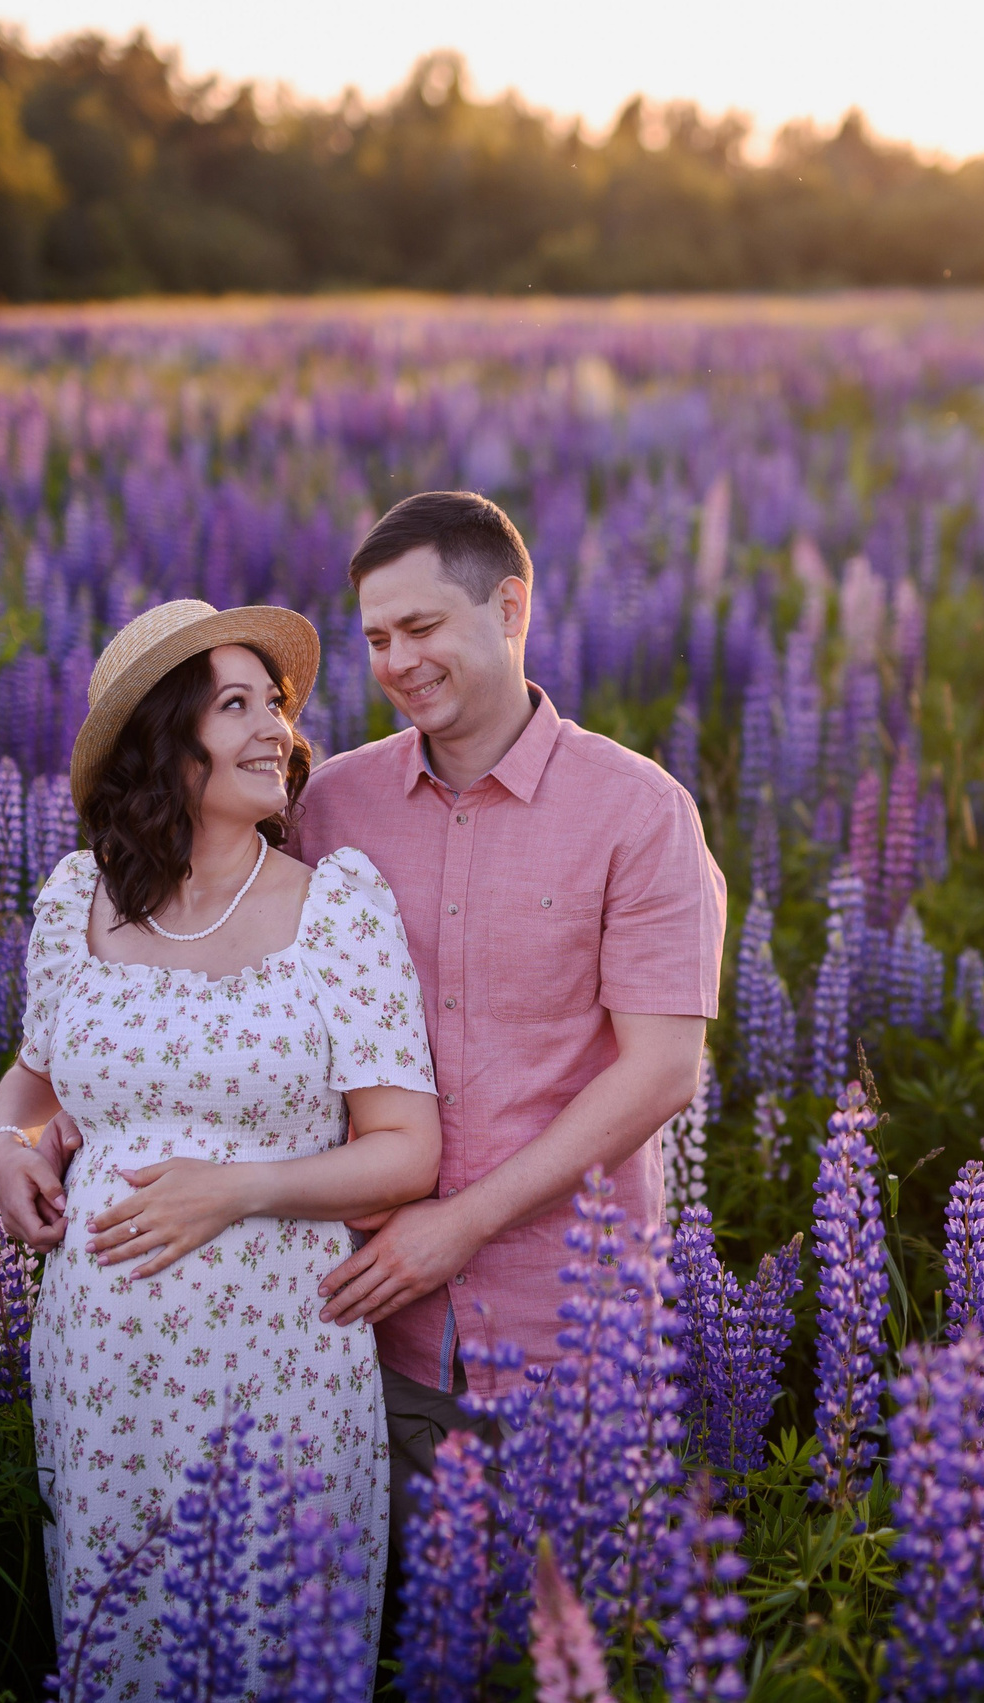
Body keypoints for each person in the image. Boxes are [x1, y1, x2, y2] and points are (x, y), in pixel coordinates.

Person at [0, 599, 442, 1681]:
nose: (272, 728)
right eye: (233, 704)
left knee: (275, 1653)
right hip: (100, 1374)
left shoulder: (338, 907)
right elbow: (32, 1083)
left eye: (274, 704)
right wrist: (8, 1142)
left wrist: (235, 1189)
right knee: (120, 1650)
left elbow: (404, 1151)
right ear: (162, 739)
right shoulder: (75, 903)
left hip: (277, 1360)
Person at [291, 492, 722, 1561]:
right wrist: (66, 1114)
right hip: (372, 1334)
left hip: (571, 1336)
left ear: (510, 606)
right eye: (378, 637)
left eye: (423, 626)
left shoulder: (638, 808)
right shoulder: (332, 805)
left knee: (562, 1645)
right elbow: (237, 1001)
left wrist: (462, 1221)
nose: (398, 659)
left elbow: (662, 1069)